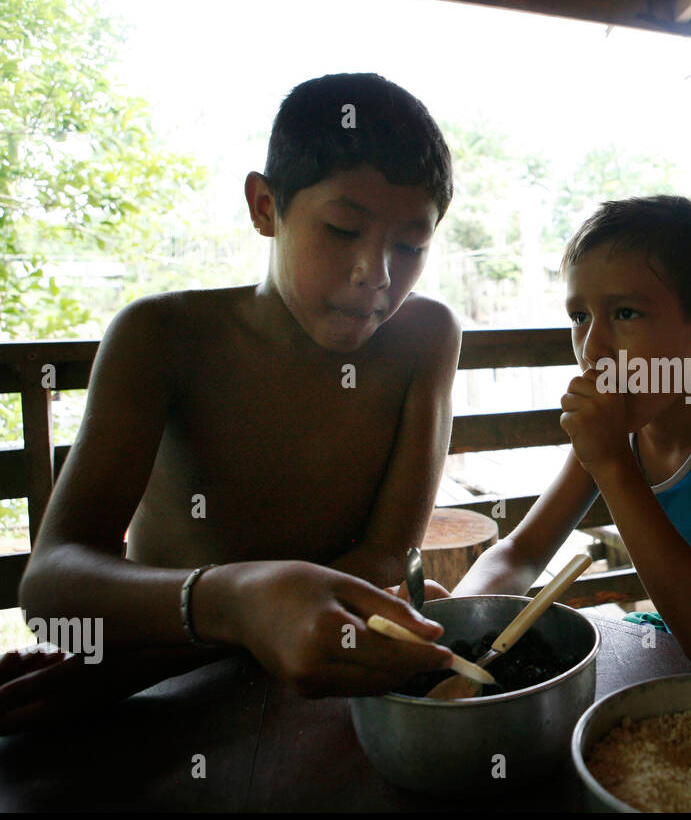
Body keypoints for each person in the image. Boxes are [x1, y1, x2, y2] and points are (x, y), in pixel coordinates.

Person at [4, 73, 459, 733]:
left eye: (411, 246)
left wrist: (163, 651)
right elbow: (52, 586)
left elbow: (388, 556)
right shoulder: (161, 336)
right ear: (265, 206)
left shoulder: (426, 337)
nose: (376, 275)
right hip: (171, 713)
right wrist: (236, 605)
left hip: (287, 694)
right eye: (341, 229)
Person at [455, 196, 691, 686]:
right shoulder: (620, 432)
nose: (592, 348)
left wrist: (612, 461)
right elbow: (521, 554)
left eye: (626, 313)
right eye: (579, 317)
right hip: (672, 654)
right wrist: (448, 620)